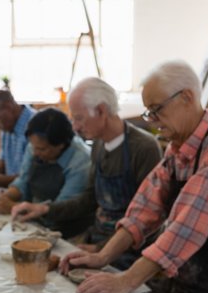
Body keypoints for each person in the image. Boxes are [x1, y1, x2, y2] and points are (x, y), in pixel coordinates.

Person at [59, 60, 208, 293]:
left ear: (187, 97)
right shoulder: (178, 150)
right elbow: (143, 209)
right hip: (191, 287)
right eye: (149, 111)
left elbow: (187, 226)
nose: (152, 120)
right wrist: (103, 256)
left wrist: (127, 280)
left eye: (156, 109)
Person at [11, 77, 162, 269]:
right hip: (97, 239)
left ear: (101, 111)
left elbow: (149, 219)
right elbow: (89, 199)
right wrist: (44, 208)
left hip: (130, 253)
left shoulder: (144, 148)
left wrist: (101, 250)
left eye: (78, 118)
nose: (74, 126)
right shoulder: (98, 145)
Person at [0, 107, 92, 238]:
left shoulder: (81, 161)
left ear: (60, 145)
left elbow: (61, 208)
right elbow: (23, 181)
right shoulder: (36, 144)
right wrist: (3, 198)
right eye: (33, 147)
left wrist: (13, 206)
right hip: (33, 219)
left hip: (66, 229)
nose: (35, 153)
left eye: (42, 149)